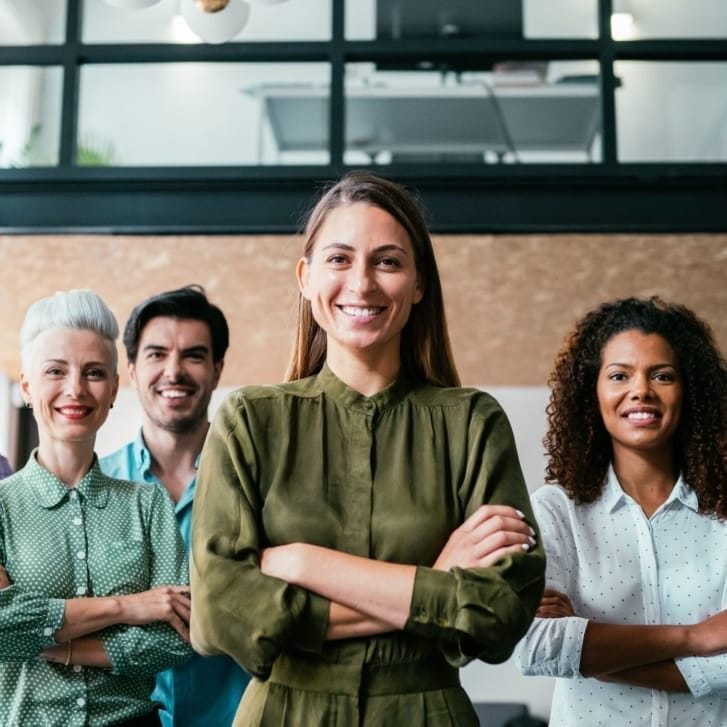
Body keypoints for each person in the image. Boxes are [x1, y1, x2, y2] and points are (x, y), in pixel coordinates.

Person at [189, 170, 546, 726]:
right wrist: (436, 581)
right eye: (339, 259)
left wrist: (304, 564)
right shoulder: (248, 421)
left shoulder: (473, 422)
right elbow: (220, 615)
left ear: (419, 283)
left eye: (387, 261)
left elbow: (501, 611)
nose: (362, 283)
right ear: (305, 278)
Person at [515, 296, 727, 725]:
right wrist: (697, 636)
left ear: (690, 391)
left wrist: (584, 642)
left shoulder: (723, 512)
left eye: (663, 375)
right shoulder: (556, 511)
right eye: (619, 375)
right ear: (591, 392)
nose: (641, 390)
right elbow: (533, 647)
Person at [0, 289, 192, 726]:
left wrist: (54, 644)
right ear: (28, 386)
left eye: (93, 372)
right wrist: (131, 607)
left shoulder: (148, 504)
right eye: (55, 371)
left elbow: (175, 640)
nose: (75, 389)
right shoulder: (1, 508)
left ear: (112, 390)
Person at [101, 285, 250, 727]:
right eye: (156, 354)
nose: (174, 370)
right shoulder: (93, 486)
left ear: (217, 369)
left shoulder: (256, 485)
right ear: (130, 369)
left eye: (193, 355)